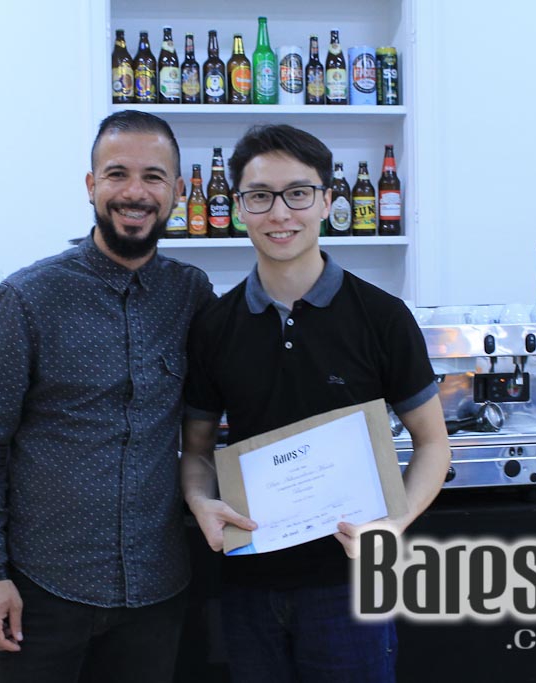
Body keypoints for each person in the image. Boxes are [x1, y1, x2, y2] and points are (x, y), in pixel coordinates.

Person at [180, 124, 451, 682]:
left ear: (327, 202)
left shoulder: (382, 316)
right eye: (260, 196)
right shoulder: (214, 324)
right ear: (239, 208)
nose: (280, 213)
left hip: (349, 586)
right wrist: (201, 502)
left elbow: (432, 444)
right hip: (248, 584)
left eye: (298, 193)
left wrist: (395, 524)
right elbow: (198, 451)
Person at [0, 110, 214, 682]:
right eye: (117, 174)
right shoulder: (28, 297)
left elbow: (228, 397)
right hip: (43, 589)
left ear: (176, 190)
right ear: (92, 185)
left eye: (153, 176)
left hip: (156, 590)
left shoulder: (190, 293)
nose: (135, 192)